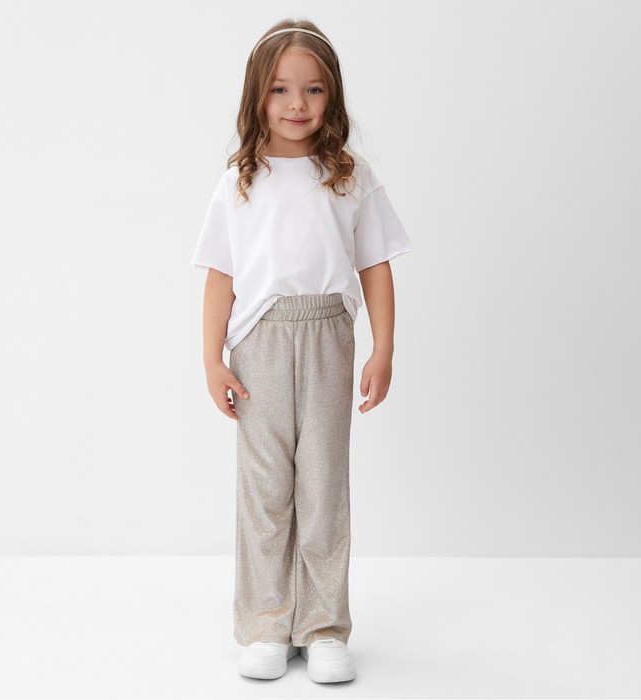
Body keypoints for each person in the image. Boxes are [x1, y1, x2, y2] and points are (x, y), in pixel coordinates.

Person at [190, 18, 413, 684]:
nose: (296, 104)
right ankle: (266, 623)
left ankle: (322, 627)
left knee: (322, 486)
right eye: (280, 89)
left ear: (332, 96)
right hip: (257, 340)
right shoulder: (240, 180)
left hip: (328, 337)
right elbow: (221, 276)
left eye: (313, 89)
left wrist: (382, 350)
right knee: (265, 490)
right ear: (256, 95)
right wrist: (212, 359)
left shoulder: (350, 176)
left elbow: (375, 267)